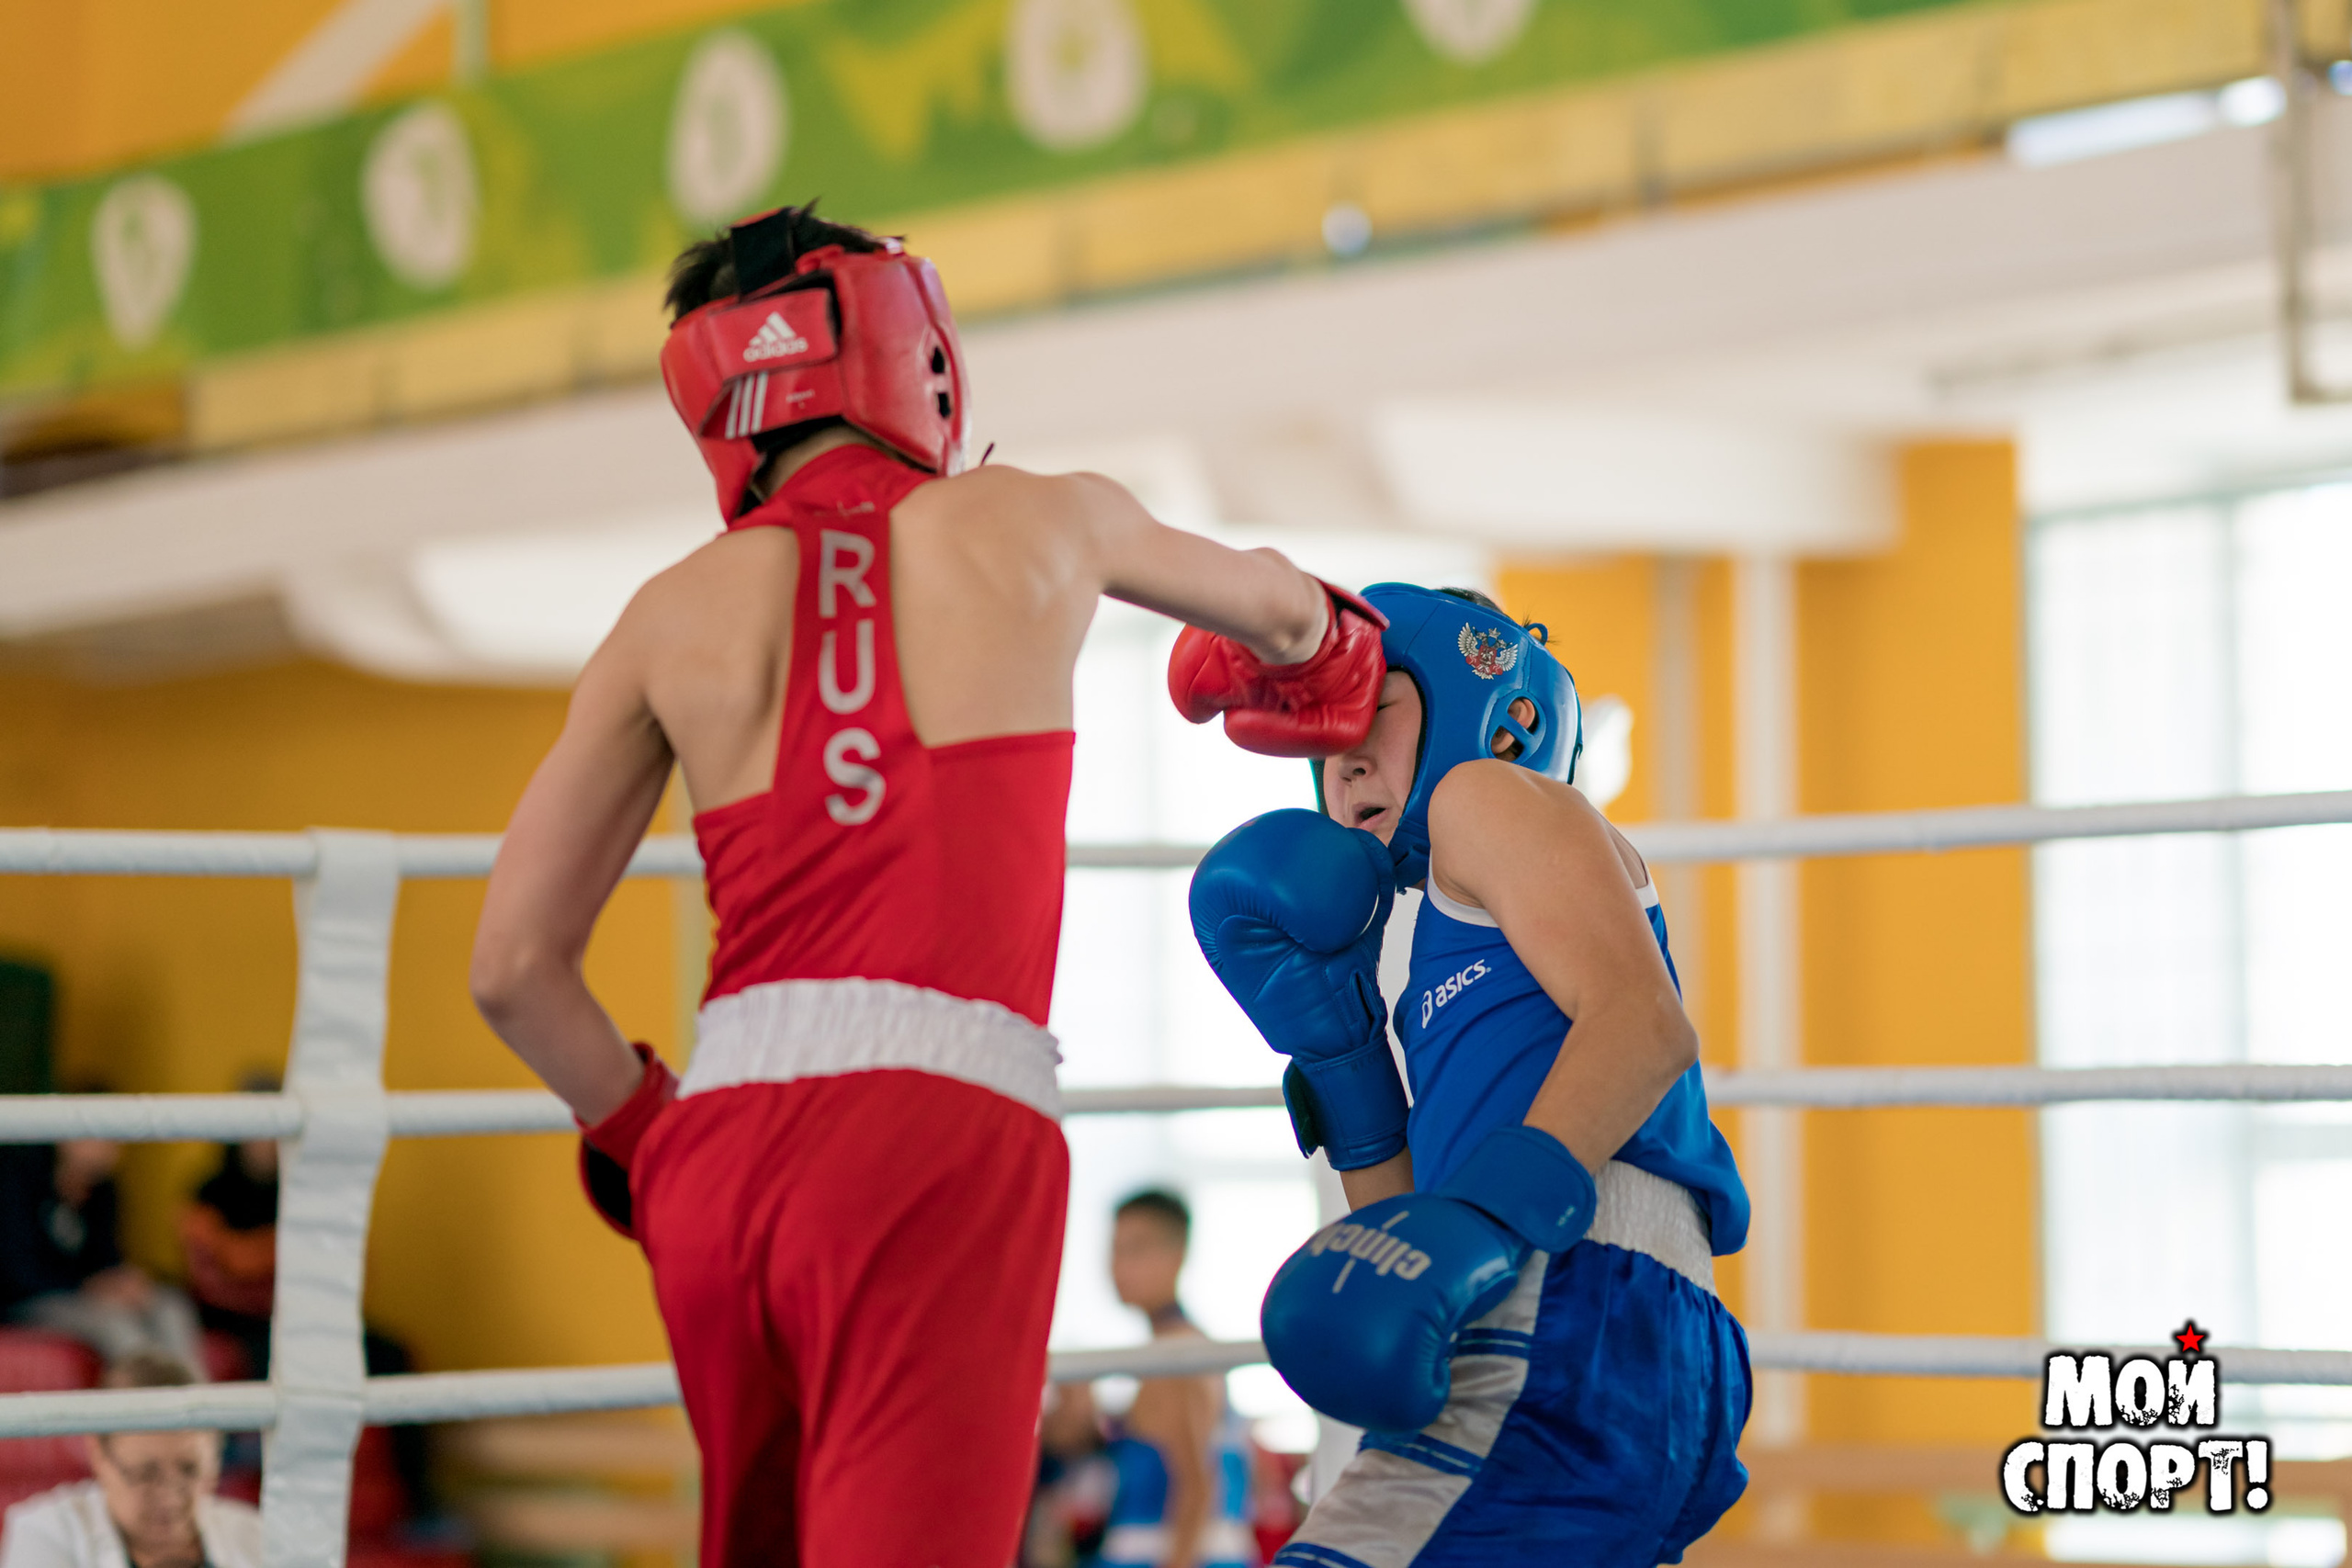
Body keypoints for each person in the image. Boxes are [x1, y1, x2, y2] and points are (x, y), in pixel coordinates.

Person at [468, 202, 1389, 1567]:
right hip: (933, 1132)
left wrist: (648, 1136)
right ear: (907, 337)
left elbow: (512, 968)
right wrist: (1329, 666)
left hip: (721, 1141)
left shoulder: (669, 613)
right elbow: (1293, 610)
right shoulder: (1036, 521)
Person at [1181, 584, 1753, 1566]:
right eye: (1324, 745)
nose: (1346, 759)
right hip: (1598, 1322)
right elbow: (1417, 1225)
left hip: (1567, 1299)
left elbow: (1645, 1027)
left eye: (1375, 713)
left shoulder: (1485, 797)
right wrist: (1344, 1059)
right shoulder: (1436, 937)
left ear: (1494, 716)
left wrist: (1484, 1222)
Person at [1050, 1190, 1255, 1568]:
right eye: (1115, 1249)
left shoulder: (1176, 1356)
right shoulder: (1172, 1350)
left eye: (1136, 1249)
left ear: (1177, 1257)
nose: (1118, 1266)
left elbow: (1198, 1487)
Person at [0, 1351, 261, 1568]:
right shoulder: (45, 1533)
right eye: (145, 1473)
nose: (169, 1495)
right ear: (98, 1453)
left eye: (190, 1469)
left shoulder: (255, 1535)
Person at [0, 1132, 201, 1373]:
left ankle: (195, 1400)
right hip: (30, 1298)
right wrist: (88, 1286)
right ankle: (150, 1404)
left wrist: (126, 1282)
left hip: (83, 1294)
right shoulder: (17, 1181)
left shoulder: (103, 1191)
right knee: (115, 1324)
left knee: (171, 1306)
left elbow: (107, 1258)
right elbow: (18, 1271)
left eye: (113, 1140)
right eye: (96, 1138)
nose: (107, 1150)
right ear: (65, 1137)